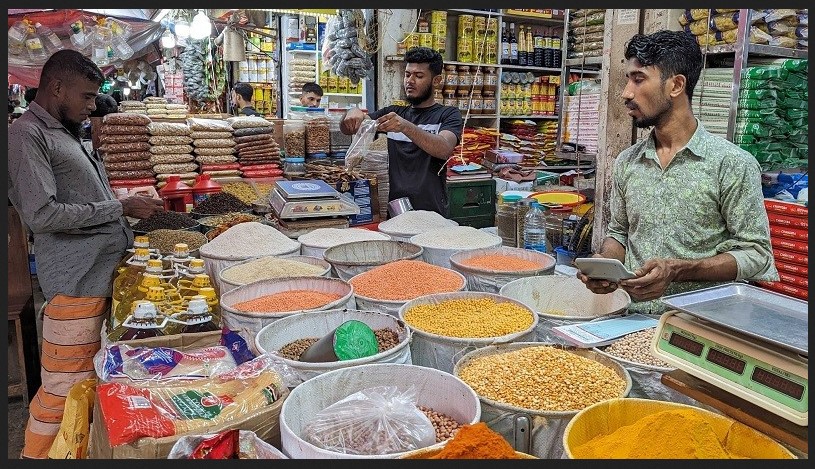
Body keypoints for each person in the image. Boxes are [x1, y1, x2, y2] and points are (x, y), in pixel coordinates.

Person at [7, 49, 164, 459]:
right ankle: (36, 456)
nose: (93, 105)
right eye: (87, 97)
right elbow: (42, 213)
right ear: (56, 87)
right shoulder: (27, 135)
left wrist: (121, 203)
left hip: (99, 275)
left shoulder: (63, 131)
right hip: (75, 283)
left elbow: (78, 198)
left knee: (89, 384)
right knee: (64, 387)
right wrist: (121, 207)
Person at [577, 30, 778, 314]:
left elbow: (757, 254)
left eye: (639, 79)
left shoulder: (731, 163)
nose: (626, 93)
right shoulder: (627, 162)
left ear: (676, 85)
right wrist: (606, 266)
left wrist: (679, 270)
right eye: (627, 79)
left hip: (697, 326)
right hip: (630, 319)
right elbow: (619, 233)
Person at [340, 46, 463, 216]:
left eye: (418, 76)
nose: (410, 81)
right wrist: (352, 113)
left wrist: (405, 127)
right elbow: (350, 128)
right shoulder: (393, 113)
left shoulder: (447, 114)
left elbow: (444, 148)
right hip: (394, 210)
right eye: (407, 74)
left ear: (436, 81)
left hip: (431, 211)